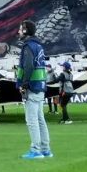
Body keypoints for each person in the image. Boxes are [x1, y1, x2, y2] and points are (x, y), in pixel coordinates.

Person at [18, 21, 54, 160]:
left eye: (20, 29)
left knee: (31, 120)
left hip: (32, 86)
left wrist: (24, 84)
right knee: (40, 119)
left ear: (26, 30)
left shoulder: (28, 46)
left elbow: (28, 66)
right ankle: (45, 149)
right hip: (40, 85)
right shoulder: (38, 46)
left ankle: (36, 150)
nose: (18, 32)